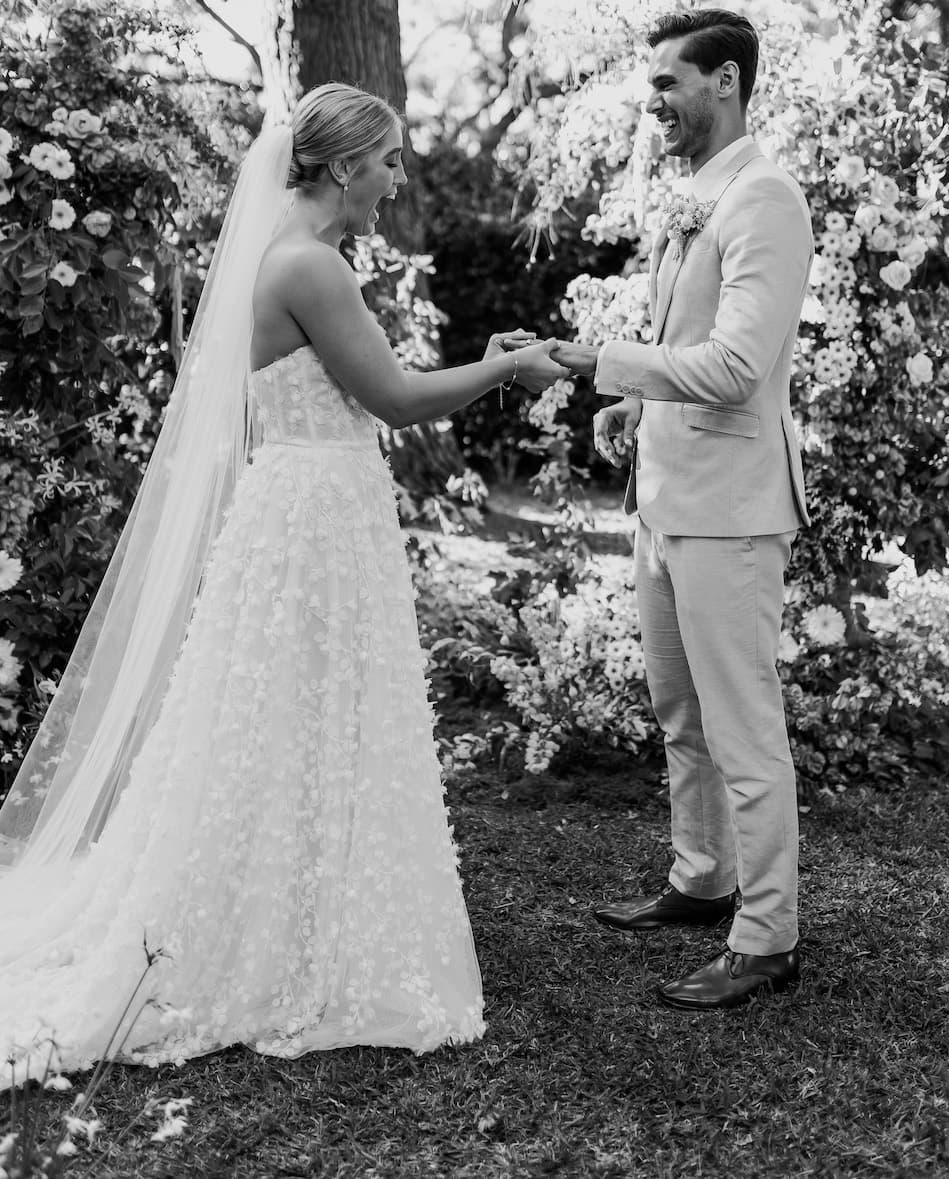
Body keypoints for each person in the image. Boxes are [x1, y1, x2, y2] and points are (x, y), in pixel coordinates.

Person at [0, 82, 568, 1083]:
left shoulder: (304, 260)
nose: (396, 181)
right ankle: (274, 931)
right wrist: (501, 374)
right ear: (345, 165)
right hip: (314, 515)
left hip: (314, 502)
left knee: (290, 714)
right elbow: (390, 397)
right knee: (300, 710)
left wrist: (477, 360)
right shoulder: (308, 263)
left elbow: (365, 382)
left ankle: (301, 909)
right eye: (389, 161)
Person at [552, 10, 813, 1010]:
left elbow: (741, 367)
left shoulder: (764, 200)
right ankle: (701, 876)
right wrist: (631, 404)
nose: (650, 99)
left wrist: (603, 361)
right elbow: (692, 346)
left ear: (727, 83)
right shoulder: (693, 197)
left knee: (741, 726)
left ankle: (767, 933)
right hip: (665, 500)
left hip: (730, 510)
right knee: (679, 714)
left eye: (667, 81)